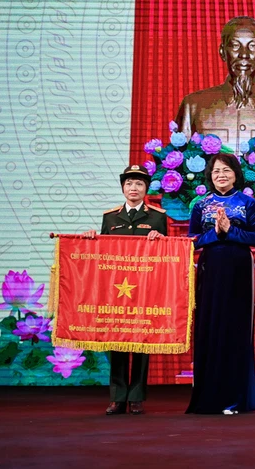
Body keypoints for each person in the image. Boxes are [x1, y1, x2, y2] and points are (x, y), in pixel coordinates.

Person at [81, 164, 168, 415]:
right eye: (129, 183)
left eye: (139, 184)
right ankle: (117, 397)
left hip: (145, 288)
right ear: (122, 188)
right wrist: (92, 239)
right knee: (117, 340)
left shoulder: (157, 217)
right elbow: (103, 253)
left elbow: (167, 254)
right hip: (116, 289)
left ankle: (137, 397)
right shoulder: (110, 218)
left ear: (146, 189)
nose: (134, 188)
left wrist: (160, 240)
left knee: (141, 342)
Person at [186, 153, 255, 414]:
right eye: (216, 171)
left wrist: (231, 230)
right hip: (210, 270)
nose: (221, 175)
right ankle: (209, 396)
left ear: (235, 175)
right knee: (210, 326)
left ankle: (236, 398)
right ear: (210, 175)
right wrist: (216, 233)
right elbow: (192, 241)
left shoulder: (247, 202)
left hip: (239, 270)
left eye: (226, 170)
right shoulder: (201, 204)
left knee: (236, 328)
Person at [174, 16, 255, 152]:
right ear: (223, 52)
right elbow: (177, 158)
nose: (244, 54)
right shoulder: (193, 106)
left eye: (253, 46)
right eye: (235, 46)